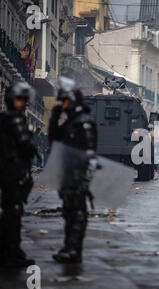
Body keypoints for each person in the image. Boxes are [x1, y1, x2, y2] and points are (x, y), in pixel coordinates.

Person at [48, 76, 97, 264]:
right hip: (67, 175)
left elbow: (91, 155)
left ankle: (74, 250)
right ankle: (68, 247)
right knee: (68, 213)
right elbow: (54, 140)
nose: (64, 104)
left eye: (66, 101)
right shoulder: (69, 122)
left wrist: (85, 181)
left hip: (78, 176)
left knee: (77, 214)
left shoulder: (84, 122)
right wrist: (54, 117)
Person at [0, 82, 37, 268]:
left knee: (9, 211)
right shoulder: (16, 119)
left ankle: (0, 253)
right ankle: (12, 253)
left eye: (23, 100)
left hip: (5, 169)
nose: (22, 103)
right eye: (20, 100)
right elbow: (25, 145)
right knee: (14, 212)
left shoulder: (1, 118)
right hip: (13, 170)